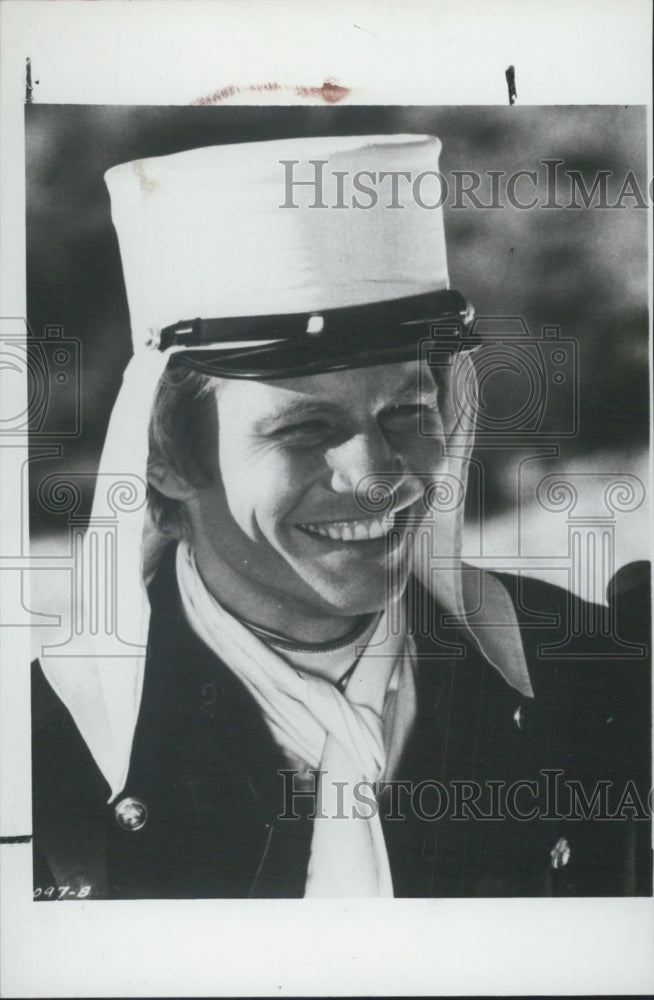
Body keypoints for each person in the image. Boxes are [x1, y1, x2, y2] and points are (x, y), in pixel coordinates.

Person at [31, 135, 651, 899]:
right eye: (305, 430)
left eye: (407, 413)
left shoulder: (605, 680)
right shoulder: (42, 751)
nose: (375, 478)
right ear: (166, 455)